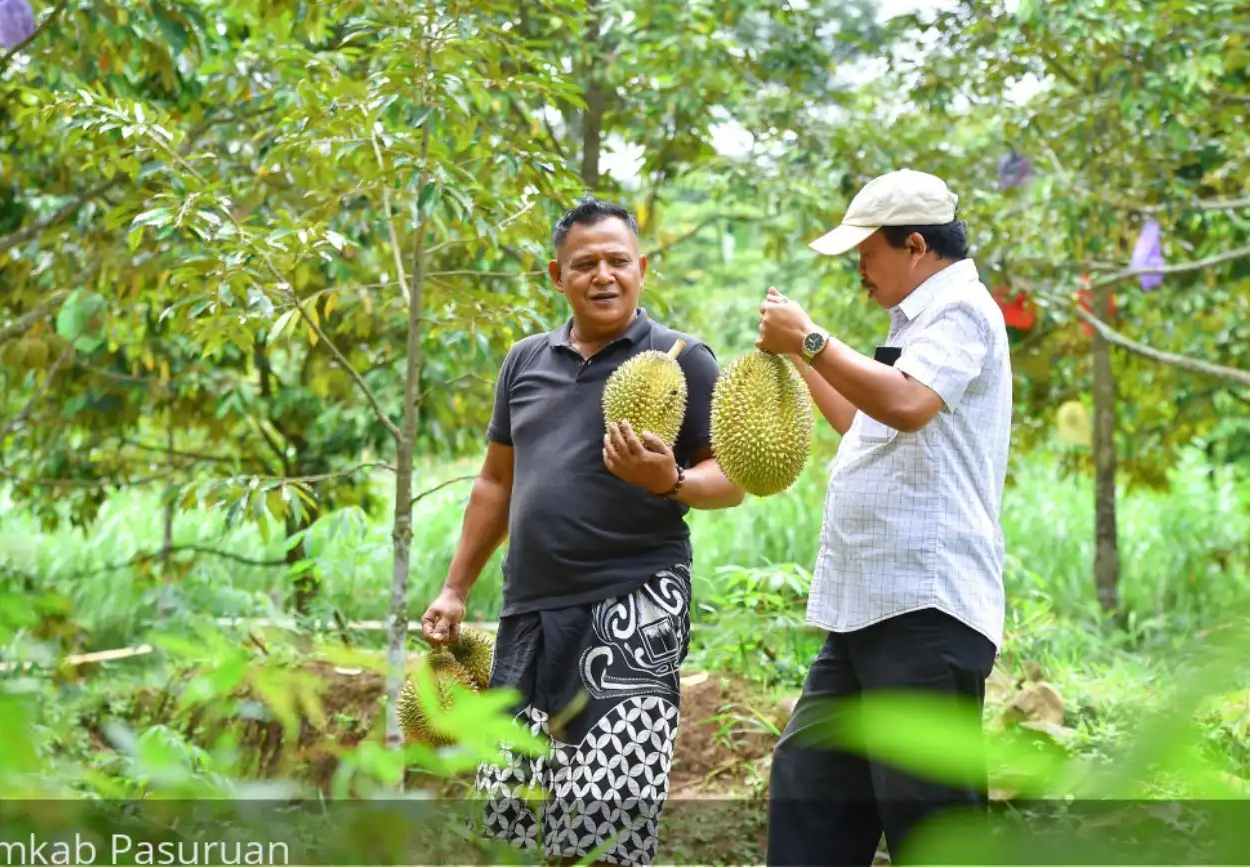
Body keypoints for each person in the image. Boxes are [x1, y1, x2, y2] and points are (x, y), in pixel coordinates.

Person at [418, 195, 745, 866]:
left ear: (641, 268)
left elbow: (731, 479)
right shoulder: (524, 361)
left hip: (633, 601)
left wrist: (671, 481)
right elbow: (495, 482)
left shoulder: (680, 358)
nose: (603, 275)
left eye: (618, 261)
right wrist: (454, 589)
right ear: (555, 275)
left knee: (603, 830)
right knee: (506, 819)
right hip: (529, 609)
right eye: (585, 263)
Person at [754, 169, 1013, 866]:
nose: (860, 272)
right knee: (808, 786)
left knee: (930, 820)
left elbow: (904, 403)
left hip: (923, 609)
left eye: (866, 254)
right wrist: (797, 355)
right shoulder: (916, 324)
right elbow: (862, 420)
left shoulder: (961, 309)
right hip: (865, 609)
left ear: (916, 246)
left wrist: (810, 338)